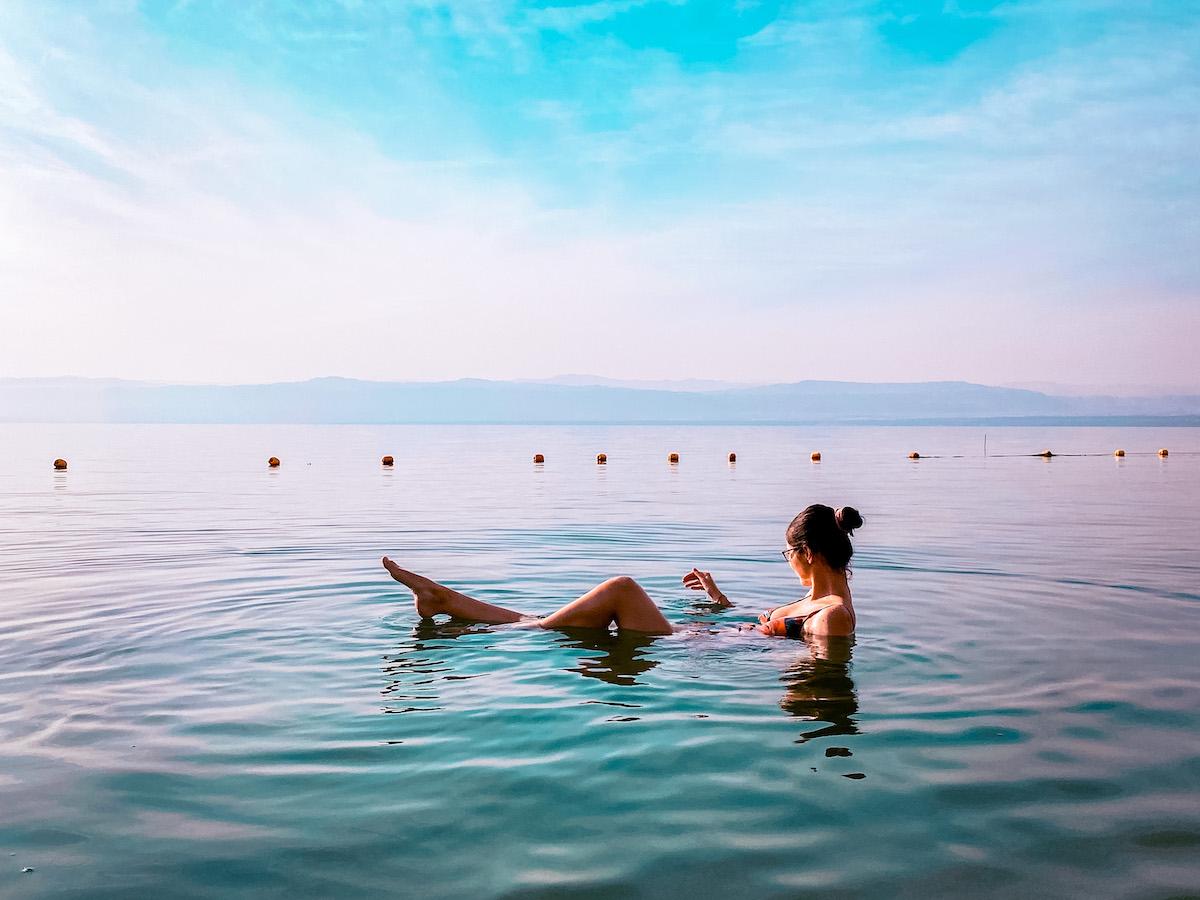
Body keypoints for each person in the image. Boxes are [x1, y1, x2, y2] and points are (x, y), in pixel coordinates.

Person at [381, 504, 862, 639]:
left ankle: (451, 605)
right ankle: (447, 603)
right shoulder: (816, 603)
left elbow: (816, 667)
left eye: (787, 553)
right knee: (539, 621)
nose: (787, 560)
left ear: (807, 553)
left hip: (695, 652)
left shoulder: (833, 614)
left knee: (620, 588)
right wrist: (719, 601)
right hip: (703, 641)